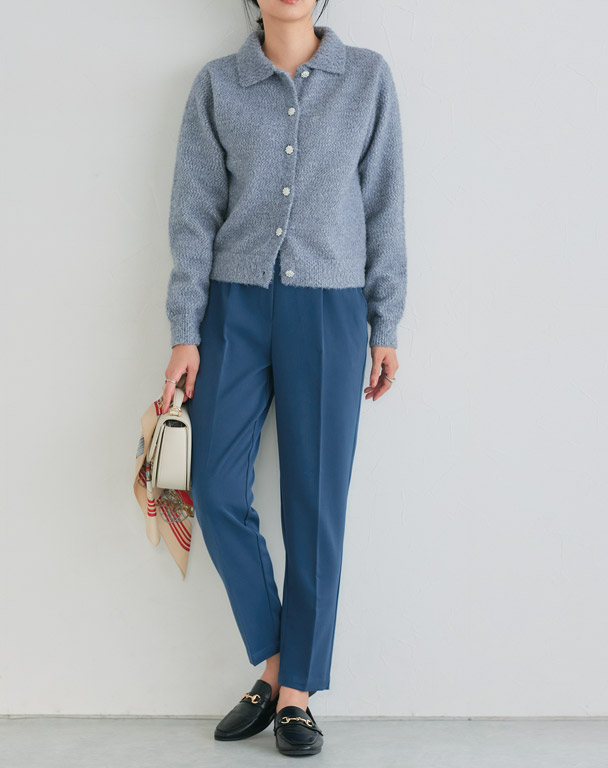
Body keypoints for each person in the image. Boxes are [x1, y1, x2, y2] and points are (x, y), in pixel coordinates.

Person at [161, 0, 407, 757]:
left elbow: (384, 204)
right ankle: (276, 662)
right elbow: (194, 213)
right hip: (233, 309)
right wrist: (184, 330)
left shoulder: (366, 79)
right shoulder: (218, 84)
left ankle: (294, 693)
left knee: (316, 505)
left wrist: (385, 323)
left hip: (331, 309)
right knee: (213, 488)